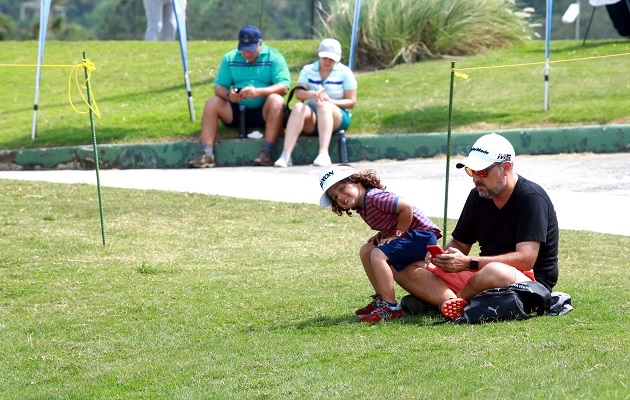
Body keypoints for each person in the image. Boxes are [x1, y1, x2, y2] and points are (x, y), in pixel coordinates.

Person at [393, 133, 559, 320]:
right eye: (471, 171)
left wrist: (468, 263)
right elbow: (459, 243)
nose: (475, 179)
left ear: (506, 167)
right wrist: (444, 257)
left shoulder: (532, 198)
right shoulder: (478, 195)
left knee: (494, 271)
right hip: (480, 277)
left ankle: (447, 301)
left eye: (481, 172)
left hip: (527, 283)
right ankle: (454, 303)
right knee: (402, 263)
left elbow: (526, 259)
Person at [318, 164, 442, 322]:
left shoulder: (374, 197)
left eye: (342, 188)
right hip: (409, 235)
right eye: (335, 197)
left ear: (357, 181)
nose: (340, 196)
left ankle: (391, 307)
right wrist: (383, 234)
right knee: (367, 250)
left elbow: (406, 208)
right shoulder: (362, 206)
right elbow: (391, 219)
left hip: (421, 236)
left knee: (378, 254)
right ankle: (382, 299)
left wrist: (397, 234)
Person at [188, 25, 291, 168]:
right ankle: (206, 153)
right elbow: (219, 86)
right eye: (243, 48)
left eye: (251, 49)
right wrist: (229, 95)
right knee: (212, 102)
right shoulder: (230, 58)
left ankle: (266, 151)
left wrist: (259, 92)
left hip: (264, 110)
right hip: (236, 109)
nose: (246, 53)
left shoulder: (275, 57)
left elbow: (283, 86)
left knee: (276, 100)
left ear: (260, 43)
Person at [274, 38, 357, 168]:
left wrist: (330, 101)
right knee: (299, 106)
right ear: (319, 55)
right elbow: (299, 94)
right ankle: (286, 155)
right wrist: (312, 94)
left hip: (338, 116)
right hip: (312, 116)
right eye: (325, 58)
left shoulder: (345, 72)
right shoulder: (308, 70)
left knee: (324, 106)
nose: (328, 62)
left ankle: (324, 153)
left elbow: (351, 102)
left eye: (332, 59)